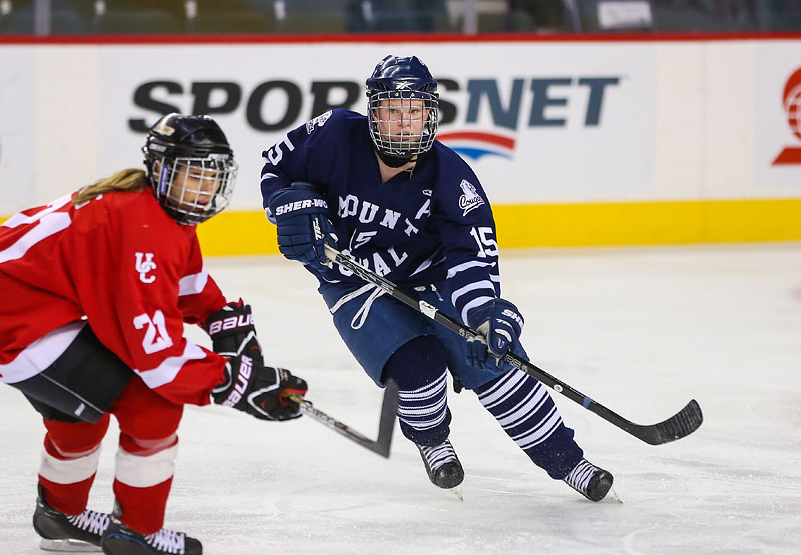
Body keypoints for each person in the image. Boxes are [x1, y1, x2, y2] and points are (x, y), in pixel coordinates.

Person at [0, 113, 307, 555]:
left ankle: (60, 514)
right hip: (12, 330)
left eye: (212, 177)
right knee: (152, 402)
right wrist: (236, 383)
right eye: (193, 175)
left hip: (13, 314)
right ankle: (137, 535)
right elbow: (158, 359)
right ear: (160, 170)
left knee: (81, 410)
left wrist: (224, 321)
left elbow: (186, 285)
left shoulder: (155, 210)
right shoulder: (139, 231)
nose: (204, 190)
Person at [260, 55, 614, 501]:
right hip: (353, 283)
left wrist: (484, 312)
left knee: (495, 363)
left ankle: (569, 462)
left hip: (434, 276)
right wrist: (288, 204)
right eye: (392, 110)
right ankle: (432, 441)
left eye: (414, 111)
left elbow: (470, 256)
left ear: (431, 114)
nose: (403, 122)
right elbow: (276, 170)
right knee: (417, 369)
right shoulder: (332, 135)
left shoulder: (452, 177)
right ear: (373, 112)